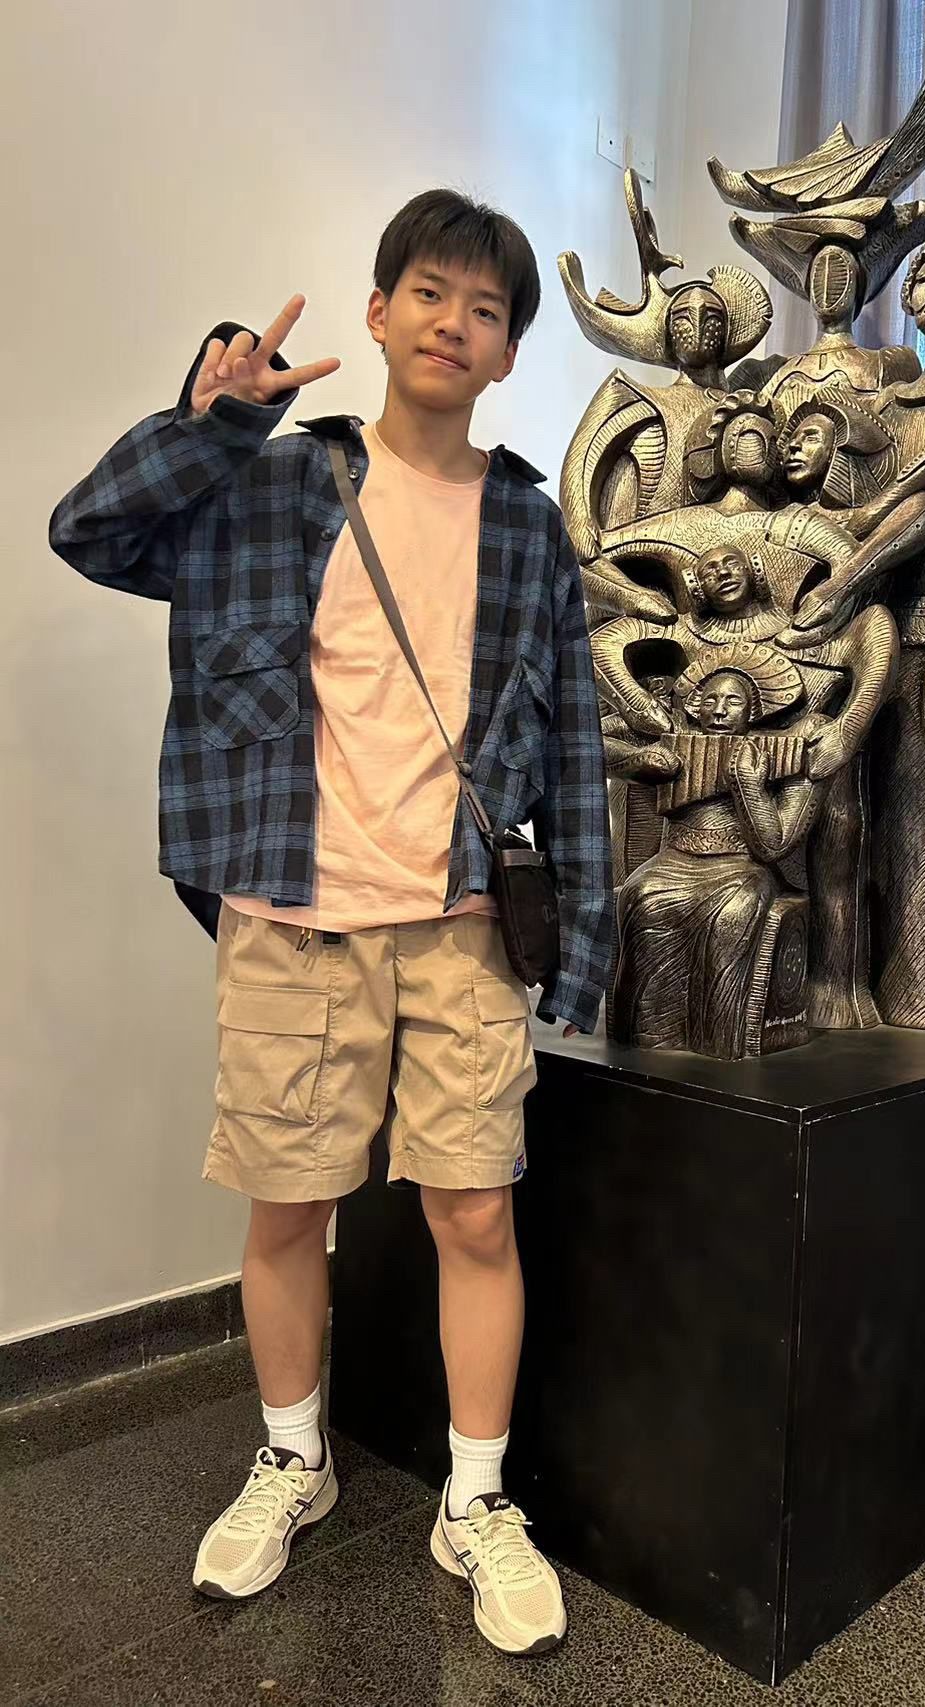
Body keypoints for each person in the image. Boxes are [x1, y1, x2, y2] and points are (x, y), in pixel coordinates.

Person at [49, 189, 612, 1658]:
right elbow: (89, 531)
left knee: (475, 1210)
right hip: (291, 914)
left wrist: (587, 942)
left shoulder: (528, 525)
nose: (453, 324)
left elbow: (576, 742)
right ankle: (293, 1460)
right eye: (430, 292)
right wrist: (213, 423)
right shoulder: (274, 482)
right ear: (377, 312)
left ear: (506, 352)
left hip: (461, 923)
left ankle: (475, 1499)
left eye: (484, 310)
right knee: (287, 1205)